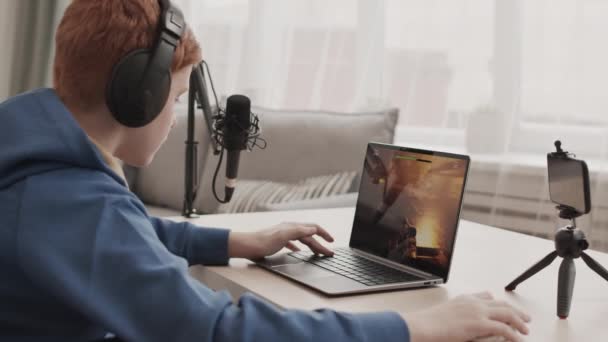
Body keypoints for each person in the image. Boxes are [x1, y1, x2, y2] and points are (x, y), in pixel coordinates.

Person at [0, 1, 531, 341]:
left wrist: (241, 240)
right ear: (139, 95)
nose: (176, 115)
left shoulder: (40, 166)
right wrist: (417, 327)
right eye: (179, 97)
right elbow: (215, 331)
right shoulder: (71, 201)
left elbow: (130, 232)